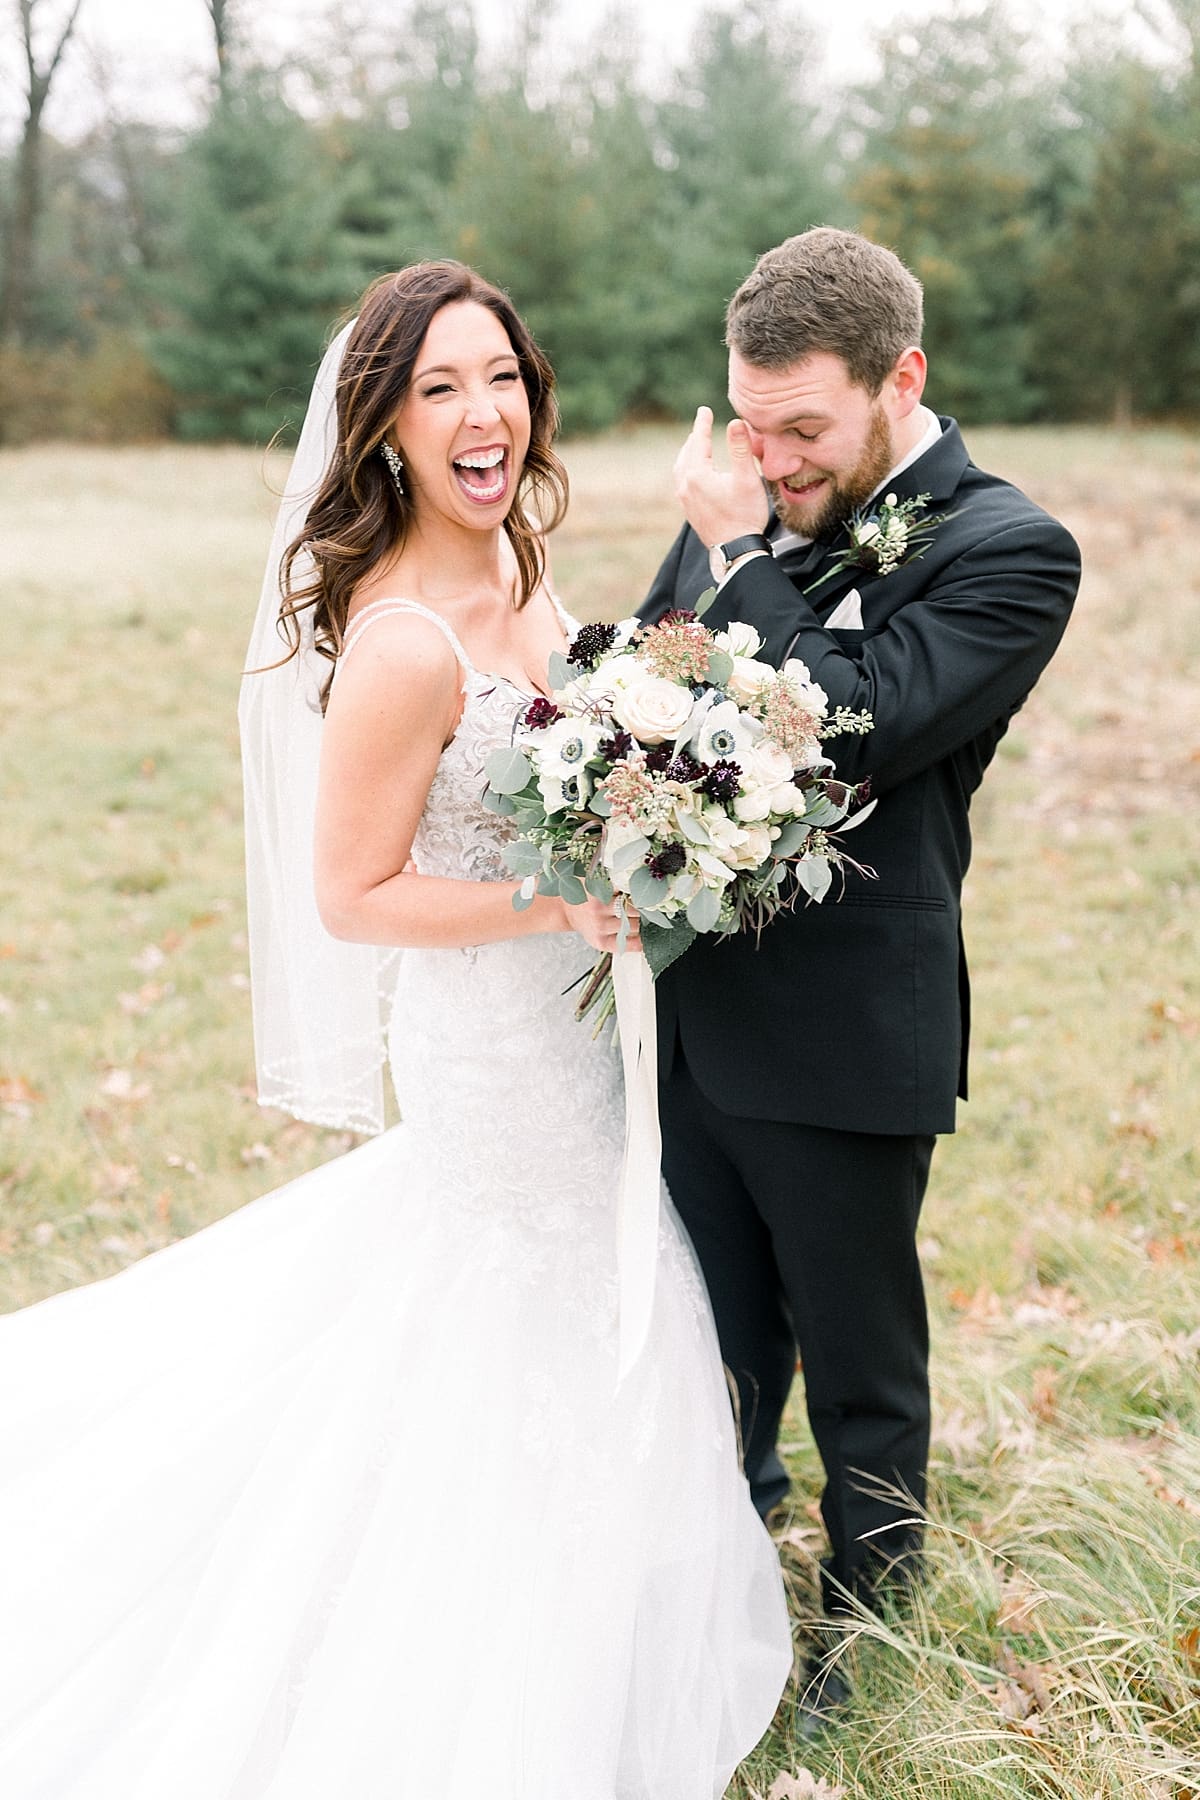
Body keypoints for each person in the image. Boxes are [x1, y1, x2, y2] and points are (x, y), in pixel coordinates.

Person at [0, 262, 792, 1798]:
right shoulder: (404, 641)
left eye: (498, 375)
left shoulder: (522, 572)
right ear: (383, 432)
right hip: (490, 1048)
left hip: (578, 1040)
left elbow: (593, 727)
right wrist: (552, 910)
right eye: (438, 389)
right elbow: (354, 892)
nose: (482, 411)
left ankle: (608, 1625)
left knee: (598, 1299)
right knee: (501, 1323)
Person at [641, 226, 1081, 1724]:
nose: (767, 459)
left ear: (903, 379)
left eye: (803, 430)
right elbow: (653, 668)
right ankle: (717, 1612)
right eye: (747, 427)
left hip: (845, 1034)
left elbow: (863, 720)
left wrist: (744, 560)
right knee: (708, 1345)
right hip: (694, 1012)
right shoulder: (751, 501)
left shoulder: (1011, 548)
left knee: (861, 1370)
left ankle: (868, 1648)